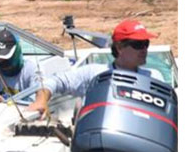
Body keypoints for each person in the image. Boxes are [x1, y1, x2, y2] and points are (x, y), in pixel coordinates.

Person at [27, 20, 159, 116]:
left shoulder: (153, 79)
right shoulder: (93, 73)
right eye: (137, 44)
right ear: (119, 48)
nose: (143, 50)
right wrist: (41, 100)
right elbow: (56, 81)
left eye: (145, 44)